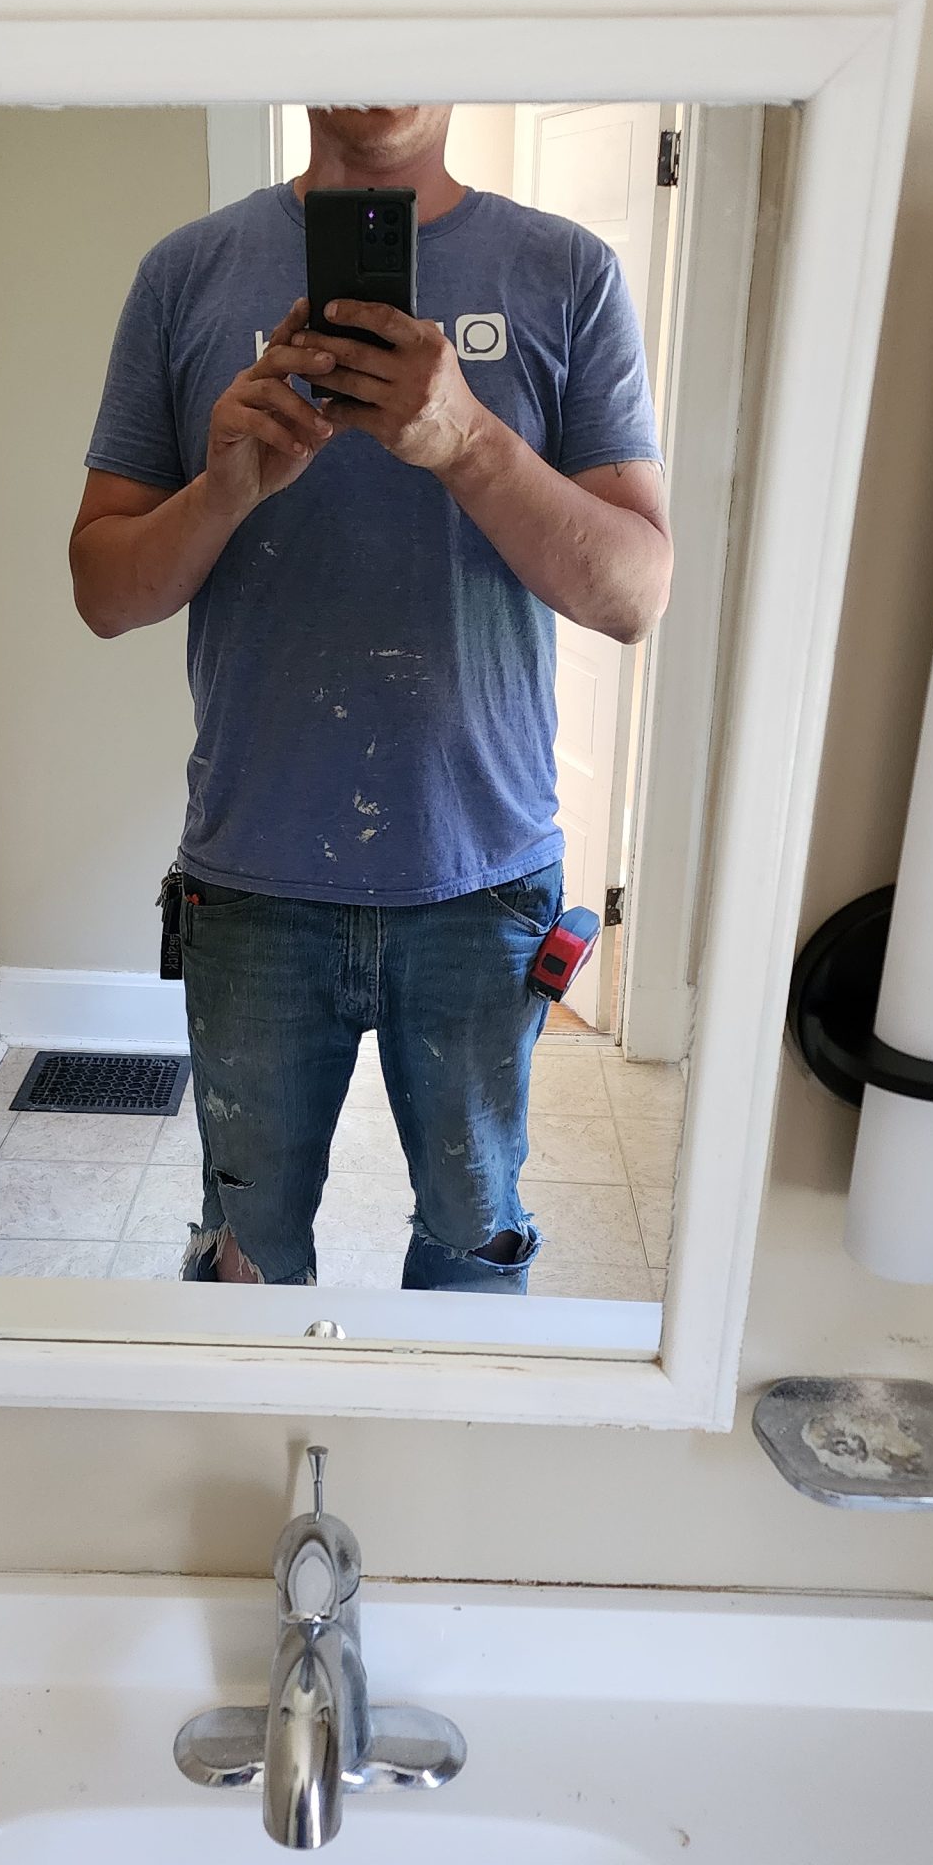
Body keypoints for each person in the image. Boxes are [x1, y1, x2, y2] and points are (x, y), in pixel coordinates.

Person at [69, 105, 671, 1292]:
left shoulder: (568, 274)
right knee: (246, 1262)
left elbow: (634, 595)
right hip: (253, 876)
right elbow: (104, 591)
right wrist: (225, 489)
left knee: (473, 1247)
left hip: (479, 877)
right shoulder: (185, 275)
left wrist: (467, 441)